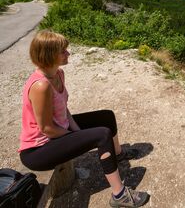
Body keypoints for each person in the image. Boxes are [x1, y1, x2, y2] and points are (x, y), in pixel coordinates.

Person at [18, 30, 150, 208]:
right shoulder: (41, 85)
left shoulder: (58, 74)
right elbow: (46, 128)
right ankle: (120, 195)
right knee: (102, 134)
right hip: (39, 149)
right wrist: (76, 136)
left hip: (56, 132)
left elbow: (62, 109)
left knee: (106, 116)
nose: (68, 53)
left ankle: (117, 155)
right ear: (49, 55)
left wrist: (78, 132)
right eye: (63, 51)